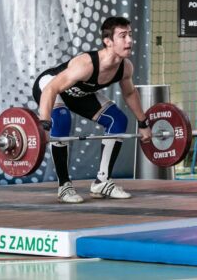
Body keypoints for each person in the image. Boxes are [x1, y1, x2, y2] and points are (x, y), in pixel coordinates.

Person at [32, 16, 152, 203]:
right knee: (62, 120)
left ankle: (102, 182)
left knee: (118, 120)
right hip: (49, 86)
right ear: (108, 41)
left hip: (79, 93)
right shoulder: (86, 64)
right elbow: (52, 89)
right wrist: (44, 125)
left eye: (130, 34)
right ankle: (64, 186)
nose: (129, 40)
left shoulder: (125, 67)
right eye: (123, 36)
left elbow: (129, 94)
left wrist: (143, 123)